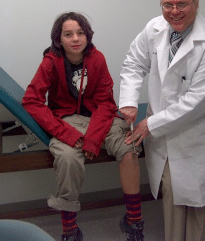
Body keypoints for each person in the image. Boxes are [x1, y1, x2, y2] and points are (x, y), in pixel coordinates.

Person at [119, 0, 205, 241]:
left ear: (196, 2)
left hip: (200, 135)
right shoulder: (154, 29)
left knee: (200, 209)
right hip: (167, 136)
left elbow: (197, 103)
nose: (174, 11)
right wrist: (128, 101)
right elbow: (134, 63)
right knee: (171, 199)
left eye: (181, 4)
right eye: (167, 4)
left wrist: (150, 124)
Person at [22, 12, 144, 241]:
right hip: (67, 120)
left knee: (129, 148)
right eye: (68, 34)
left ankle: (134, 221)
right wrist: (65, 133)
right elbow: (31, 101)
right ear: (59, 39)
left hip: (100, 119)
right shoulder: (50, 61)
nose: (75, 38)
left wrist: (93, 139)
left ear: (88, 36)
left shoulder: (97, 59)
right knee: (67, 159)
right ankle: (70, 231)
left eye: (80, 33)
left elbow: (106, 103)